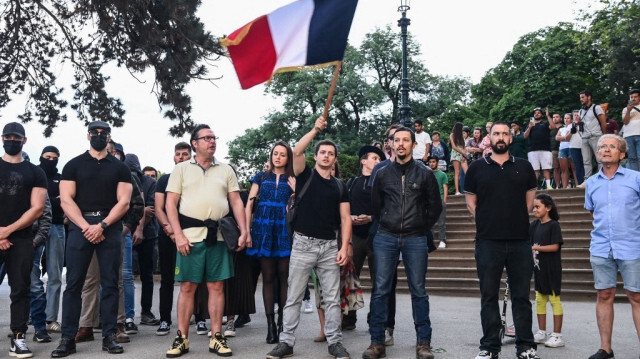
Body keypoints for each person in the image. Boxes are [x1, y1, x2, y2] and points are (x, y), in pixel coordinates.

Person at [266, 117, 352, 359]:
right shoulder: (304, 175)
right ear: (316, 157)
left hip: (328, 246)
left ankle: (335, 342)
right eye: (322, 152)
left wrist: (344, 246)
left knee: (332, 299)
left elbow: (345, 219)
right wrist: (316, 129)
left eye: (330, 153)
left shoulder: (339, 186)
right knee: (293, 297)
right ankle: (286, 343)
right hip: (303, 244)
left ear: (335, 159)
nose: (326, 156)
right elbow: (297, 150)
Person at [164, 124, 247, 358]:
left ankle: (216, 336)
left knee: (217, 286)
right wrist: (178, 235)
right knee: (188, 287)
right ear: (195, 143)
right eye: (207, 138)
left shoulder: (226, 169)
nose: (212, 141)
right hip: (189, 238)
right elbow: (170, 204)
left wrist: (244, 231)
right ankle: (181, 337)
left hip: (219, 236)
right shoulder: (181, 169)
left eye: (214, 137)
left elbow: (236, 202)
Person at [52, 120, 133, 357]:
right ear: (88, 136)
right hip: (80, 227)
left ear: (109, 137)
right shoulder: (73, 165)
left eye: (103, 133)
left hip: (110, 228)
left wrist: (103, 225)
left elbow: (124, 202)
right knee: (74, 285)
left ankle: (109, 336)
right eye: (95, 132)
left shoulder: (120, 168)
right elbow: (67, 200)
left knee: (110, 284)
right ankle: (68, 338)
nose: (99, 136)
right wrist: (87, 226)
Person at [363, 126, 442, 359]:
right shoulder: (381, 172)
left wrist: (420, 226)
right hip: (385, 236)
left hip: (415, 237)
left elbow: (435, 207)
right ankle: (376, 342)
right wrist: (388, 222)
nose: (400, 144)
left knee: (419, 291)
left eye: (405, 140)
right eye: (396, 140)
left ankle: (424, 343)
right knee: (380, 290)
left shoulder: (425, 173)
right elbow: (375, 205)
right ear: (391, 144)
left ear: (413, 144)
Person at [464, 121, 540, 359]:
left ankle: (525, 346)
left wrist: (512, 219)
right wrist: (489, 220)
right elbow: (470, 203)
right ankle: (489, 347)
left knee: (521, 297)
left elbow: (529, 202)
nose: (500, 137)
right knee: (488, 296)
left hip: (519, 241)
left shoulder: (524, 167)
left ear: (510, 138)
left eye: (504, 134)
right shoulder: (476, 168)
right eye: (496, 133)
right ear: (489, 137)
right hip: (488, 241)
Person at [584, 134, 640, 359]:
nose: (606, 150)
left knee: (636, 296)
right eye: (602, 147)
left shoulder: (636, 178)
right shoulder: (591, 183)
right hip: (600, 247)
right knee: (604, 294)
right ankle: (605, 348)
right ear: (597, 153)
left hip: (632, 246)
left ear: (622, 154)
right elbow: (592, 212)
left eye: (612, 147)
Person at [1, 122, 48, 358]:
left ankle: (18, 338)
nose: (12, 140)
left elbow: (37, 208)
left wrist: (6, 231)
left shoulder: (36, 172)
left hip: (21, 239)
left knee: (21, 289)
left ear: (24, 141)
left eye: (16, 138)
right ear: (2, 138)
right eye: (8, 137)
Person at [245, 141, 296, 343]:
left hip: (284, 229)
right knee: (267, 277)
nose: (278, 157)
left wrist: (296, 191)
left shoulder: (293, 177)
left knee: (284, 278)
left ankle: (283, 323)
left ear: (288, 157)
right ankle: (271, 326)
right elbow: (249, 203)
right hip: (263, 229)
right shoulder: (261, 176)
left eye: (283, 154)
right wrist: (247, 231)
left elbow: (299, 204)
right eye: (275, 153)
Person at [341, 145, 384, 330]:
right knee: (350, 278)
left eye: (379, 159)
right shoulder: (352, 183)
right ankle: (349, 319)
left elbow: (388, 208)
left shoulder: (382, 183)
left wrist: (372, 217)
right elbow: (343, 208)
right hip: (356, 237)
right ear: (363, 161)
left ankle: (374, 319)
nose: (377, 161)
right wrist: (349, 218)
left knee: (379, 281)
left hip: (376, 236)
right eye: (374, 158)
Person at [154, 142, 192, 335]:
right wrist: (169, 230)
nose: (181, 157)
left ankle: (200, 319)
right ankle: (165, 320)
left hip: (192, 235)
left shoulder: (194, 179)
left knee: (194, 280)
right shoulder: (164, 180)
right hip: (167, 235)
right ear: (174, 157)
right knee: (167, 279)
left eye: (185, 154)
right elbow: (159, 208)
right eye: (178, 154)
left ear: (191, 156)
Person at [125, 153, 161, 326]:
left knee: (147, 275)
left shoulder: (151, 183)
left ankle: (146, 312)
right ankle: (126, 315)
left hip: (148, 233)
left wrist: (139, 229)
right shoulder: (123, 179)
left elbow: (150, 209)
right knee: (126, 275)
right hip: (125, 232)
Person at [530, 194, 564, 348]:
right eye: (534, 207)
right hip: (539, 269)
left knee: (554, 300)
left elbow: (555, 246)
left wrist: (537, 248)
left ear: (548, 208)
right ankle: (542, 331)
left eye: (538, 207)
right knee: (540, 299)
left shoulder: (554, 225)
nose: (534, 209)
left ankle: (557, 335)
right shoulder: (534, 225)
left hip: (552, 270)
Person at [39, 146, 66, 334]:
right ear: (41, 157)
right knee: (29, 276)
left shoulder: (62, 178)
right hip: (32, 228)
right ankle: (31, 317)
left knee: (55, 275)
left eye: (54, 157)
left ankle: (50, 319)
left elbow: (65, 201)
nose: (51, 160)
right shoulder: (34, 173)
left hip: (57, 226)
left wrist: (52, 200)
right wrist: (53, 200)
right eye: (47, 157)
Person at [31, 194, 53, 343]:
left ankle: (39, 328)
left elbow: (45, 215)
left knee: (35, 286)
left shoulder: (35, 176)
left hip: (29, 241)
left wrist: (37, 240)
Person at [524, 107, 558, 189]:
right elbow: (525, 136)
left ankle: (548, 186)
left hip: (545, 149)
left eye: (538, 112)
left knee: (546, 168)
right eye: (535, 113)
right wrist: (530, 127)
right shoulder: (530, 124)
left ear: (541, 114)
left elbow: (553, 127)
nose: (536, 114)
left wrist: (548, 116)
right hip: (533, 150)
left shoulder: (545, 123)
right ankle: (534, 186)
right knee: (535, 169)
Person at [579, 90, 607, 178]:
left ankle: (601, 178)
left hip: (596, 136)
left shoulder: (597, 107)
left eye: (583, 97)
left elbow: (603, 122)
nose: (581, 99)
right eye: (580, 97)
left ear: (589, 97)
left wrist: (601, 135)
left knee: (599, 159)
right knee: (586, 161)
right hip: (584, 138)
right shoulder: (581, 111)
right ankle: (587, 180)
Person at [428, 156, 448, 249]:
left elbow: (445, 187)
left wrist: (444, 200)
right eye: (430, 162)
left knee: (441, 222)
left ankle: (442, 240)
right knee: (429, 223)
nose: (432, 163)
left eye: (433, 162)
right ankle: (430, 241)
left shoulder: (442, 175)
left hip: (439, 200)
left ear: (437, 162)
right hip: (429, 201)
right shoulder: (427, 174)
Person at [555, 114, 577, 188]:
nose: (566, 119)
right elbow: (556, 138)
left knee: (574, 168)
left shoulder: (573, 126)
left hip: (571, 147)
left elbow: (567, 138)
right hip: (562, 149)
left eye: (568, 118)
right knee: (564, 169)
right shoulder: (561, 129)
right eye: (565, 118)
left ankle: (578, 185)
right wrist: (564, 137)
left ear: (571, 119)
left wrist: (562, 137)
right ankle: (564, 187)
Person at [621, 88, 640, 171]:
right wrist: (629, 110)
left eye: (635, 97)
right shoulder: (625, 109)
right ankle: (636, 178)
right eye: (631, 97)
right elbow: (625, 122)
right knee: (632, 158)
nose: (633, 99)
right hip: (628, 135)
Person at [449, 122, 468, 195]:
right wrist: (463, 152)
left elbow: (464, 147)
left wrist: (464, 155)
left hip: (462, 155)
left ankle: (469, 189)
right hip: (455, 155)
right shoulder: (452, 135)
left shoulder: (462, 137)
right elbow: (454, 146)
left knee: (467, 172)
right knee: (457, 172)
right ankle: (457, 191)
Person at [568, 111, 585, 185]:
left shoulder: (585, 124)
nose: (576, 116)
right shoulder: (570, 125)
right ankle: (580, 182)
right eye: (575, 115)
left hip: (584, 147)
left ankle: (586, 181)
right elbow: (567, 138)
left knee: (586, 164)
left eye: (578, 115)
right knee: (577, 165)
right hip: (574, 147)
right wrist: (572, 130)